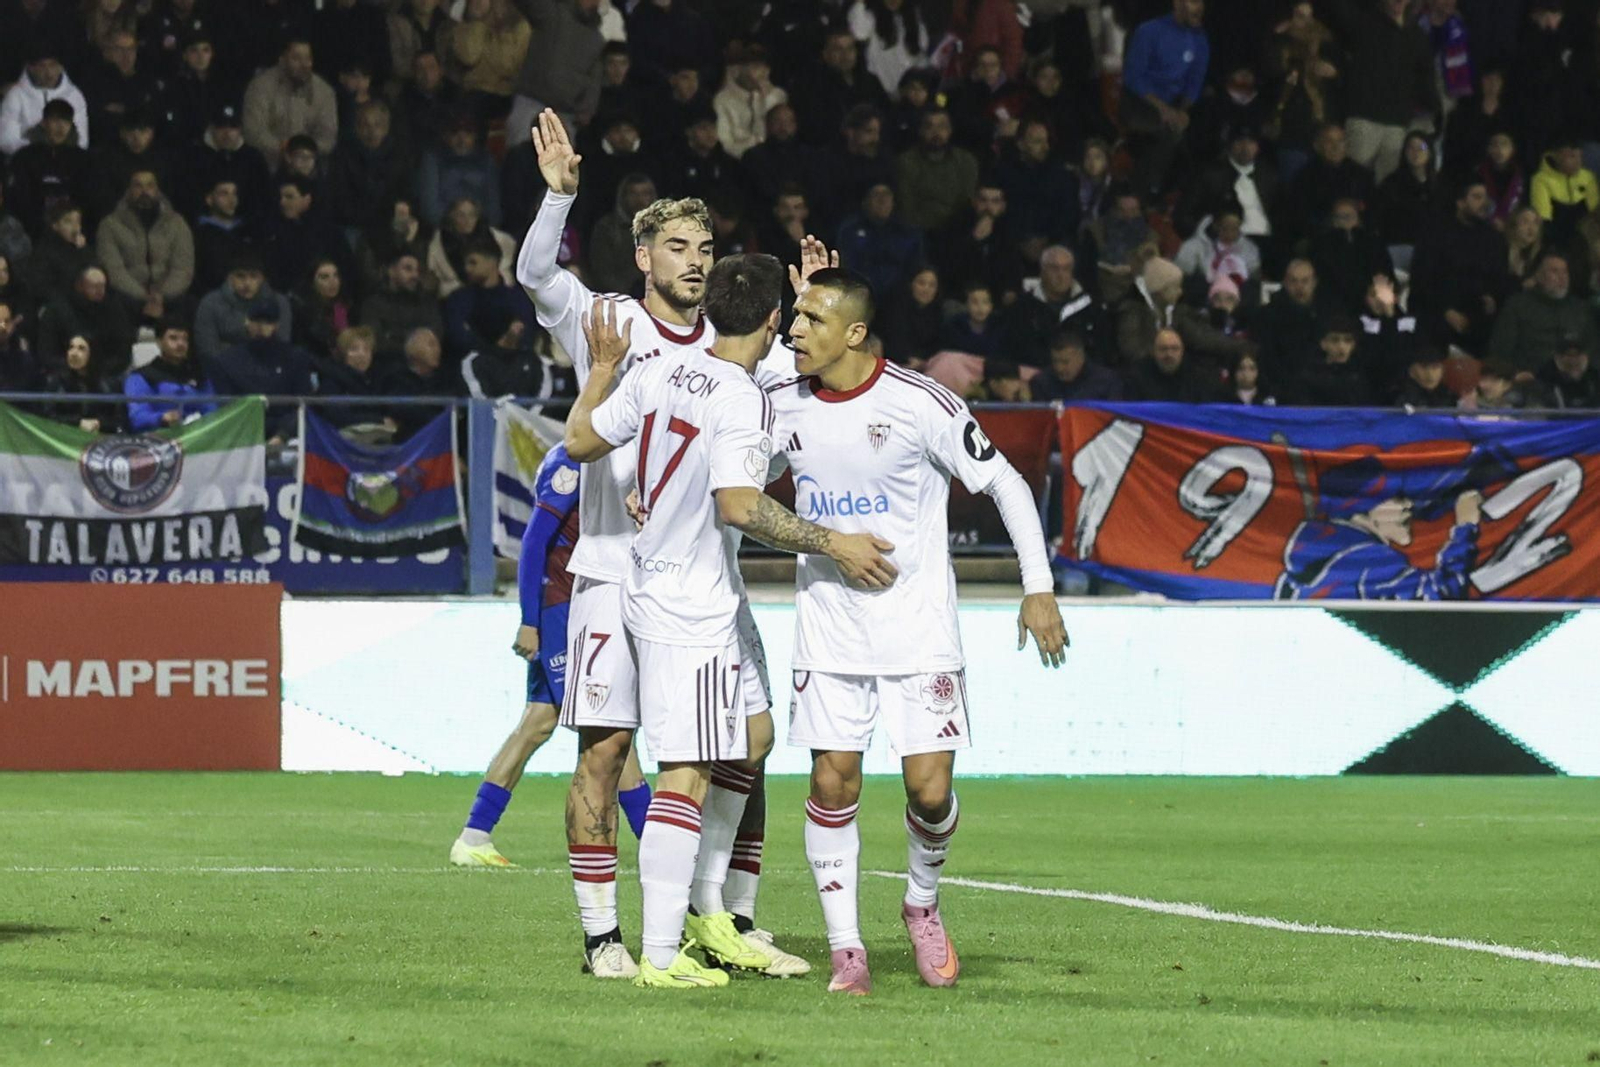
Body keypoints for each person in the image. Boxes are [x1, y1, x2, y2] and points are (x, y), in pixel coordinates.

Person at [516, 109, 810, 980]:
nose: (695, 257)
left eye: (704, 244)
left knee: (745, 743)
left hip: (706, 580)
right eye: (677, 244)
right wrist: (555, 199)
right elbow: (536, 274)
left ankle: (719, 913)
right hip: (609, 570)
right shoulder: (606, 320)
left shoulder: (735, 346)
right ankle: (604, 935)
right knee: (605, 751)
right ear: (644, 257)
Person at [564, 256, 895, 990]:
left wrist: (602, 368)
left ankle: (710, 911)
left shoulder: (656, 370)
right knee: (684, 777)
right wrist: (832, 540)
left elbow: (582, 440)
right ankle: (661, 954)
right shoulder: (741, 398)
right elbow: (741, 504)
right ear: (773, 321)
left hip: (654, 582)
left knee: (752, 736)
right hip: (693, 605)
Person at [766, 266, 1067, 994]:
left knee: (929, 792)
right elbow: (743, 497)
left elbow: (1006, 483)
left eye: (809, 319)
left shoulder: (920, 401)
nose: (793, 330)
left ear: (856, 334)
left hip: (918, 629)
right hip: (831, 631)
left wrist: (1039, 586)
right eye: (793, 317)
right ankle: (847, 950)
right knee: (832, 782)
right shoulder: (781, 406)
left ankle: (921, 903)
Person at [450, 444, 655, 868]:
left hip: (576, 605)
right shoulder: (574, 459)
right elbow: (535, 539)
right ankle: (658, 848)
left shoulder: (612, 454)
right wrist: (531, 619)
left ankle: (473, 836)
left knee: (537, 722)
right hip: (563, 608)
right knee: (608, 728)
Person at [1273, 454, 1481, 599]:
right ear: (1361, 511)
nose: (1408, 505)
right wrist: (1466, 525)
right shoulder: (1366, 560)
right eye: (1397, 498)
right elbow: (1440, 597)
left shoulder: (1316, 558)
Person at [1119, 0, 1208, 199]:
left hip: (1173, 103)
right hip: (1140, 101)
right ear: (1177, 4)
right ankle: (1140, 191)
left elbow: (1194, 82)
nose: (1200, 7)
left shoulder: (1200, 39)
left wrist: (1184, 110)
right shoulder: (1149, 31)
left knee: (1196, 131)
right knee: (1172, 133)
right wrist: (1163, 108)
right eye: (1193, 1)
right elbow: (1133, 77)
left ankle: (1162, 192)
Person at [207, 299, 318, 440]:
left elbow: (303, 405)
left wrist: (282, 435)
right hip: (242, 436)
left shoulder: (296, 358)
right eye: (256, 321)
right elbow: (227, 408)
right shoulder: (226, 361)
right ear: (246, 321)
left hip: (288, 435)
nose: (261, 327)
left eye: (267, 322)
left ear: (276, 325)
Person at [95, 168, 194, 322]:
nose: (144, 191)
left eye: (150, 185)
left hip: (168, 297)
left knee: (189, 303)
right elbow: (113, 271)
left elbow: (182, 269)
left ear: (158, 190)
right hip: (128, 297)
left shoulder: (177, 223)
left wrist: (161, 296)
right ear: (128, 190)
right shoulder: (110, 225)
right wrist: (144, 297)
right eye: (138, 186)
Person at [1489, 252, 1599, 374]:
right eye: (1554, 271)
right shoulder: (1518, 306)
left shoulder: (1580, 308)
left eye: (1565, 272)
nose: (1562, 277)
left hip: (1574, 380)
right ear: (1539, 276)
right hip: (1531, 379)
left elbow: (1594, 349)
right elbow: (1500, 351)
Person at [242, 36, 338, 170]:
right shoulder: (260, 87)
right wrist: (285, 148)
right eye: (296, 58)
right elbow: (253, 132)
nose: (304, 64)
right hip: (268, 167)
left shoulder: (324, 92)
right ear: (282, 60)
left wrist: (304, 152)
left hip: (310, 169)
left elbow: (328, 136)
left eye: (308, 58)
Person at [194, 253, 292, 363]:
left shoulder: (279, 303)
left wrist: (227, 346)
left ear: (262, 279)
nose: (247, 283)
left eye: (253, 276)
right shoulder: (210, 302)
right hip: (223, 373)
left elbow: (281, 349)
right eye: (240, 276)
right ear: (230, 278)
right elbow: (207, 351)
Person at [0, 39, 90, 156]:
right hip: (26, 163)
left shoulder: (74, 96)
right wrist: (39, 151)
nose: (48, 73)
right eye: (42, 66)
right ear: (31, 68)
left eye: (53, 65)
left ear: (61, 66)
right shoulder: (15, 95)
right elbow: (7, 140)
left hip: (66, 163)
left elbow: (82, 141)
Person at [124, 318, 216, 430]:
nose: (180, 344)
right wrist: (161, 418)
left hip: (199, 435)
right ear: (159, 341)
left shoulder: (198, 375)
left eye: (185, 339)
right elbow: (138, 417)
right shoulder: (142, 377)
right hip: (159, 437)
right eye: (173, 338)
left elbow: (212, 410)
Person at [43, 333, 119, 433]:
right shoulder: (57, 382)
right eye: (71, 347)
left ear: (92, 354)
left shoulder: (108, 383)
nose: (73, 353)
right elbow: (46, 417)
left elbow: (117, 420)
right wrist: (78, 423)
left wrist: (99, 423)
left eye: (81, 348)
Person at [1125, 326, 1214, 402]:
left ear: (1182, 351)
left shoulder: (1197, 378)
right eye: (1163, 349)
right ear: (1153, 351)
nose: (1169, 354)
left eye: (1175, 349)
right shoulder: (1137, 377)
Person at [1031, 329, 1121, 401]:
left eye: (1065, 362)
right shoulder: (1041, 383)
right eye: (1055, 361)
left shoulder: (1106, 382)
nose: (1059, 368)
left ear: (1081, 358)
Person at [1536, 334, 1600, 408]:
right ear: (1557, 358)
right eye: (1569, 355)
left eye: (1577, 355)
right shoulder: (1544, 381)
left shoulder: (1595, 378)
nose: (1573, 361)